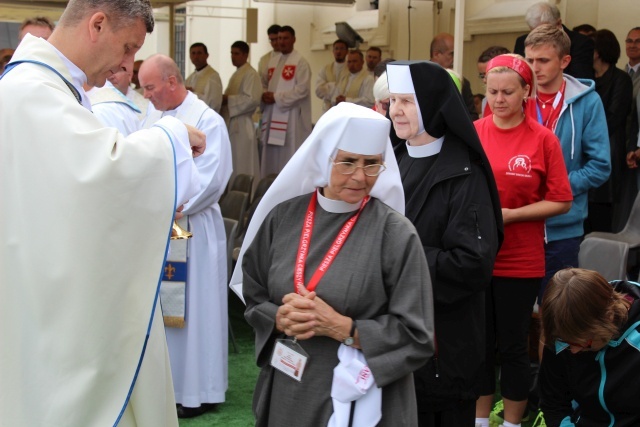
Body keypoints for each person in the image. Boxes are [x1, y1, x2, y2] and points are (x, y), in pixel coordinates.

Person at [0, 0, 207, 425]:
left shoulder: (42, 88)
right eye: (128, 47)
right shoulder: (32, 93)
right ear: (97, 25)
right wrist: (171, 137)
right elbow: (103, 175)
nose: (126, 65)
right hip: (50, 309)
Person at [230, 102, 434, 426]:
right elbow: (253, 294)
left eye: (372, 164)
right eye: (348, 162)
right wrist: (279, 318)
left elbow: (418, 336)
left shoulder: (395, 234)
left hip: (363, 398)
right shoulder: (283, 218)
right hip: (289, 387)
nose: (359, 176)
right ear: (324, 158)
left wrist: (346, 329)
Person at [386, 60, 503, 427]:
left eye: (406, 100)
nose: (395, 110)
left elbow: (473, 263)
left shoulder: (463, 174)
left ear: (433, 103)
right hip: (397, 334)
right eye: (392, 100)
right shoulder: (394, 159)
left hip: (444, 344)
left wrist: (398, 260)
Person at [473, 54, 573, 427]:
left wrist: (512, 215)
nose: (499, 99)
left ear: (526, 92)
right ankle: (480, 419)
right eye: (492, 91)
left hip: (520, 259)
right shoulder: (475, 131)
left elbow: (562, 200)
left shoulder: (542, 139)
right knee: (480, 345)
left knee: (514, 347)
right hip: (478, 257)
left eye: (508, 92)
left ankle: (514, 422)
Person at [139, 53, 233, 418]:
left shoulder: (207, 120)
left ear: (171, 82)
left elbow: (209, 180)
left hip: (191, 228)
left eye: (150, 87)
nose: (145, 94)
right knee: (164, 314)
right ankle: (169, 388)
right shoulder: (152, 117)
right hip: (159, 227)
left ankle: (200, 390)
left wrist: (161, 199)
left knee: (196, 311)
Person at [524, 24, 610, 303]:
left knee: (557, 318)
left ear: (565, 61)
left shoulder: (588, 102)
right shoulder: (516, 97)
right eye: (530, 60)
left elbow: (600, 166)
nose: (534, 68)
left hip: (563, 229)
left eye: (543, 60)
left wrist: (556, 186)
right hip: (518, 225)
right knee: (515, 318)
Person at [539, 268, 640, 427]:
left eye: (582, 343)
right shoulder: (564, 332)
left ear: (608, 318)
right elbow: (553, 403)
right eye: (566, 342)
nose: (573, 351)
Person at [589, 29, 634, 233]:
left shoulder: (620, 79)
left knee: (602, 213)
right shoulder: (588, 79)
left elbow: (614, 117)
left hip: (609, 148)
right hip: (588, 148)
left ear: (597, 52)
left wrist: (585, 134)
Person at [260, 25, 312, 177]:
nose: (281, 42)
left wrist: (275, 97)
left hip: (290, 118)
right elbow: (262, 83)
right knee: (270, 157)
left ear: (294, 39)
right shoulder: (272, 62)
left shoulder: (301, 63)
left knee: (287, 156)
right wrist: (264, 94)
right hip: (271, 115)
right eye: (279, 38)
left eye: (285, 38)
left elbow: (302, 90)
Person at [514, 2, 594, 80]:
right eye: (534, 31)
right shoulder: (522, 42)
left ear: (558, 23)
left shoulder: (581, 43)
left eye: (544, 31)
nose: (538, 36)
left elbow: (580, 81)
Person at [222, 40, 262, 189]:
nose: (233, 57)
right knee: (234, 162)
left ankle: (247, 193)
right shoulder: (237, 74)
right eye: (232, 53)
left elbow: (252, 99)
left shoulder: (251, 74)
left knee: (244, 162)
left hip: (243, 125)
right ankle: (235, 192)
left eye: (237, 53)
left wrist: (227, 99)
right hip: (233, 123)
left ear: (246, 54)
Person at [430, 32, 478, 120]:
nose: (455, 59)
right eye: (452, 54)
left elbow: (472, 117)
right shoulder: (418, 78)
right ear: (436, 54)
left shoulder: (463, 83)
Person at [90, 63, 147, 136]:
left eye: (117, 70)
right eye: (108, 70)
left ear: (129, 75)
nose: (111, 76)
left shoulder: (147, 106)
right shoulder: (96, 101)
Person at [185, 42, 223, 113]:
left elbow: (213, 103)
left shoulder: (213, 76)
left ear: (207, 55)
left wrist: (189, 94)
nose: (196, 56)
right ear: (190, 56)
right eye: (193, 53)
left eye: (199, 53)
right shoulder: (190, 78)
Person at [315, 39, 349, 113]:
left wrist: (328, 87)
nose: (338, 51)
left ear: (347, 52)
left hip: (345, 109)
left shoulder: (351, 69)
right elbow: (318, 90)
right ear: (333, 51)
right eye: (336, 49)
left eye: (342, 49)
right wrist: (334, 86)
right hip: (328, 108)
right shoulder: (325, 69)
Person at [477, 45, 511, 117]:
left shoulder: (522, 101)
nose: (484, 80)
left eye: (488, 74)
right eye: (482, 75)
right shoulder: (485, 101)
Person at [258, 24, 281, 89]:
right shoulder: (264, 60)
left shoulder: (290, 58)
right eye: (272, 40)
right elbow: (260, 82)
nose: (274, 43)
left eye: (276, 39)